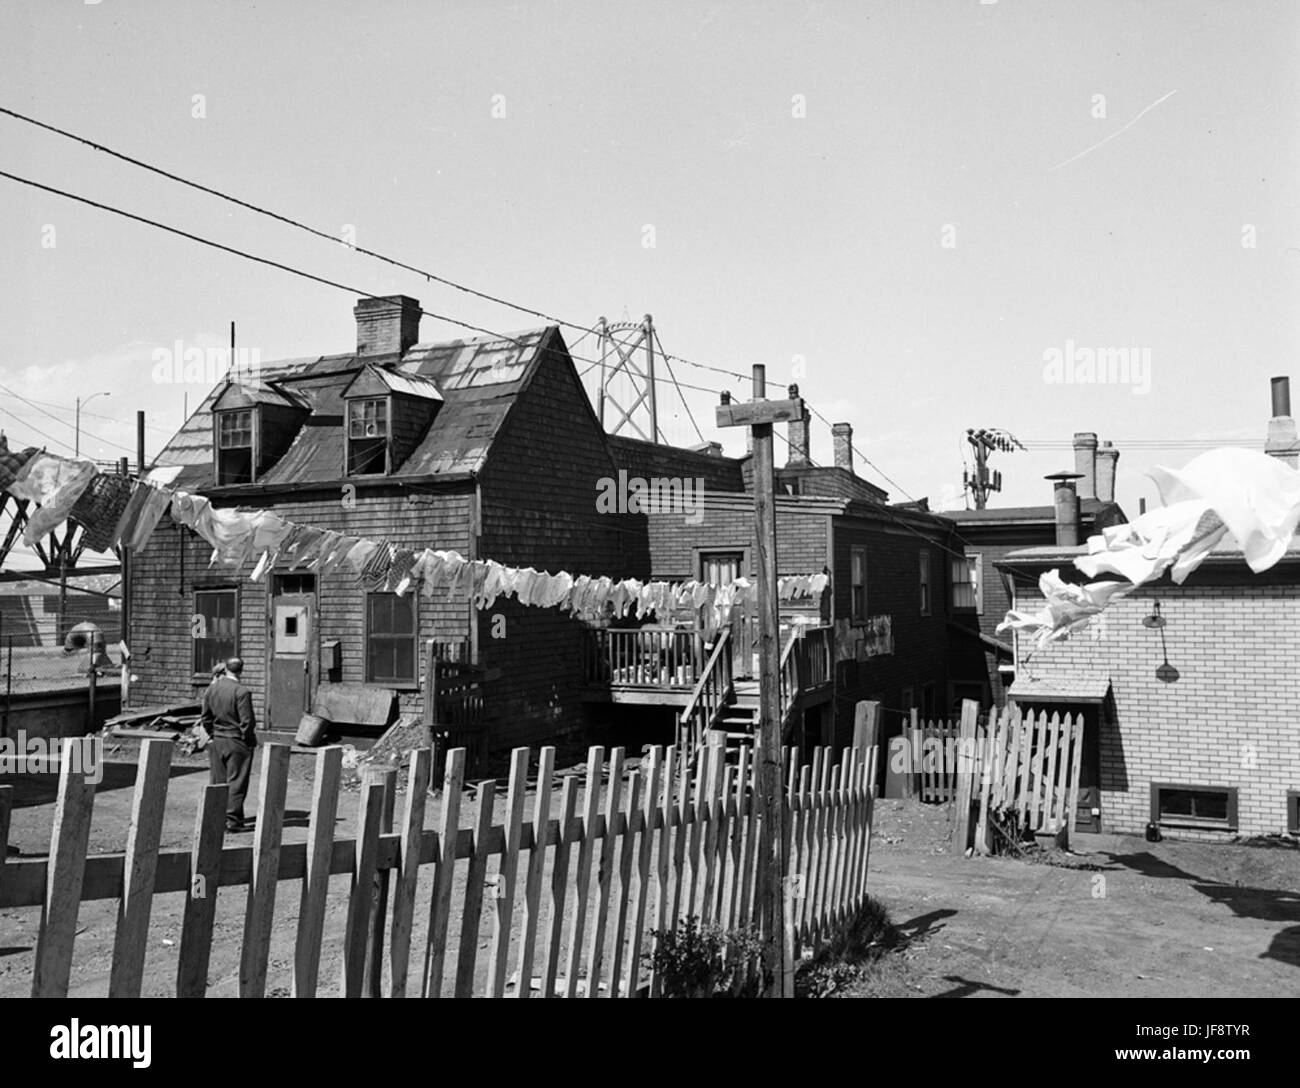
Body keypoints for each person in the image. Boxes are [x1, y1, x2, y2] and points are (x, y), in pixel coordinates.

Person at [199, 656, 257, 832]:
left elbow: (205, 718)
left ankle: (216, 818)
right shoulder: (242, 692)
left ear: (226, 669)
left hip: (217, 740)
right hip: (236, 741)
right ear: (241, 670)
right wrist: (247, 740)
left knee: (218, 780)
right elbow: (247, 721)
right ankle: (232, 821)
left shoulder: (212, 689)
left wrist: (212, 734)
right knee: (237, 781)